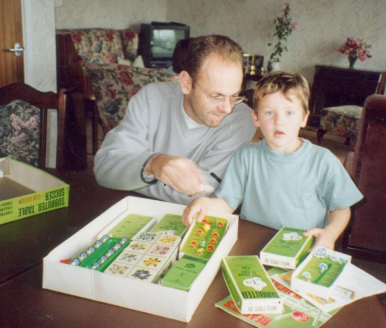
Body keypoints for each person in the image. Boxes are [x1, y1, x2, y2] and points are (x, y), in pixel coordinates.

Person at [182, 71, 363, 250]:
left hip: (303, 248)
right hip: (253, 244)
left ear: (304, 118)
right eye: (269, 112)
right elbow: (227, 203)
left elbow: (341, 208)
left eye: (289, 113)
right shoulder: (245, 157)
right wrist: (206, 203)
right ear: (256, 118)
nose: (279, 122)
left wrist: (330, 233)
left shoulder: (323, 161)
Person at [94, 35, 256, 205]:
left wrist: (135, 174)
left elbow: (200, 196)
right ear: (186, 83)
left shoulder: (241, 121)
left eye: (234, 96)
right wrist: (153, 163)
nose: (227, 108)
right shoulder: (151, 98)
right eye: (216, 96)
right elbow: (104, 168)